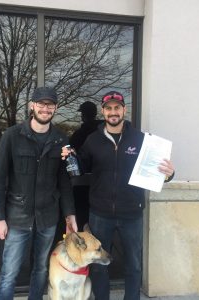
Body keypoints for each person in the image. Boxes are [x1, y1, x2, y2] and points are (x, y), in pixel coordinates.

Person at [61, 90, 175, 300]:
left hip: (131, 213)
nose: (113, 112)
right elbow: (81, 166)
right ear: (103, 112)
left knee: (133, 264)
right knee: (98, 267)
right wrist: (70, 156)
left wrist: (168, 174)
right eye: (109, 108)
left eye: (117, 108)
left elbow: (157, 170)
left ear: (124, 110)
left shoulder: (141, 140)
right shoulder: (93, 140)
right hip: (100, 214)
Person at [0, 86, 77, 300]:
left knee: (40, 269)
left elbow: (64, 183)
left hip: (47, 218)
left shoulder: (61, 139)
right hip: (17, 217)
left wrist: (70, 215)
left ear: (55, 108)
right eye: (41, 104)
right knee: (9, 272)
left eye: (50, 105)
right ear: (32, 106)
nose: (45, 109)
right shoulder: (12, 136)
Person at [69, 101, 102, 230]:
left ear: (84, 115)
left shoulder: (79, 134)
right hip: (100, 186)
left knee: (82, 219)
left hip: (81, 184)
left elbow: (71, 157)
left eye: (82, 113)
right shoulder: (103, 132)